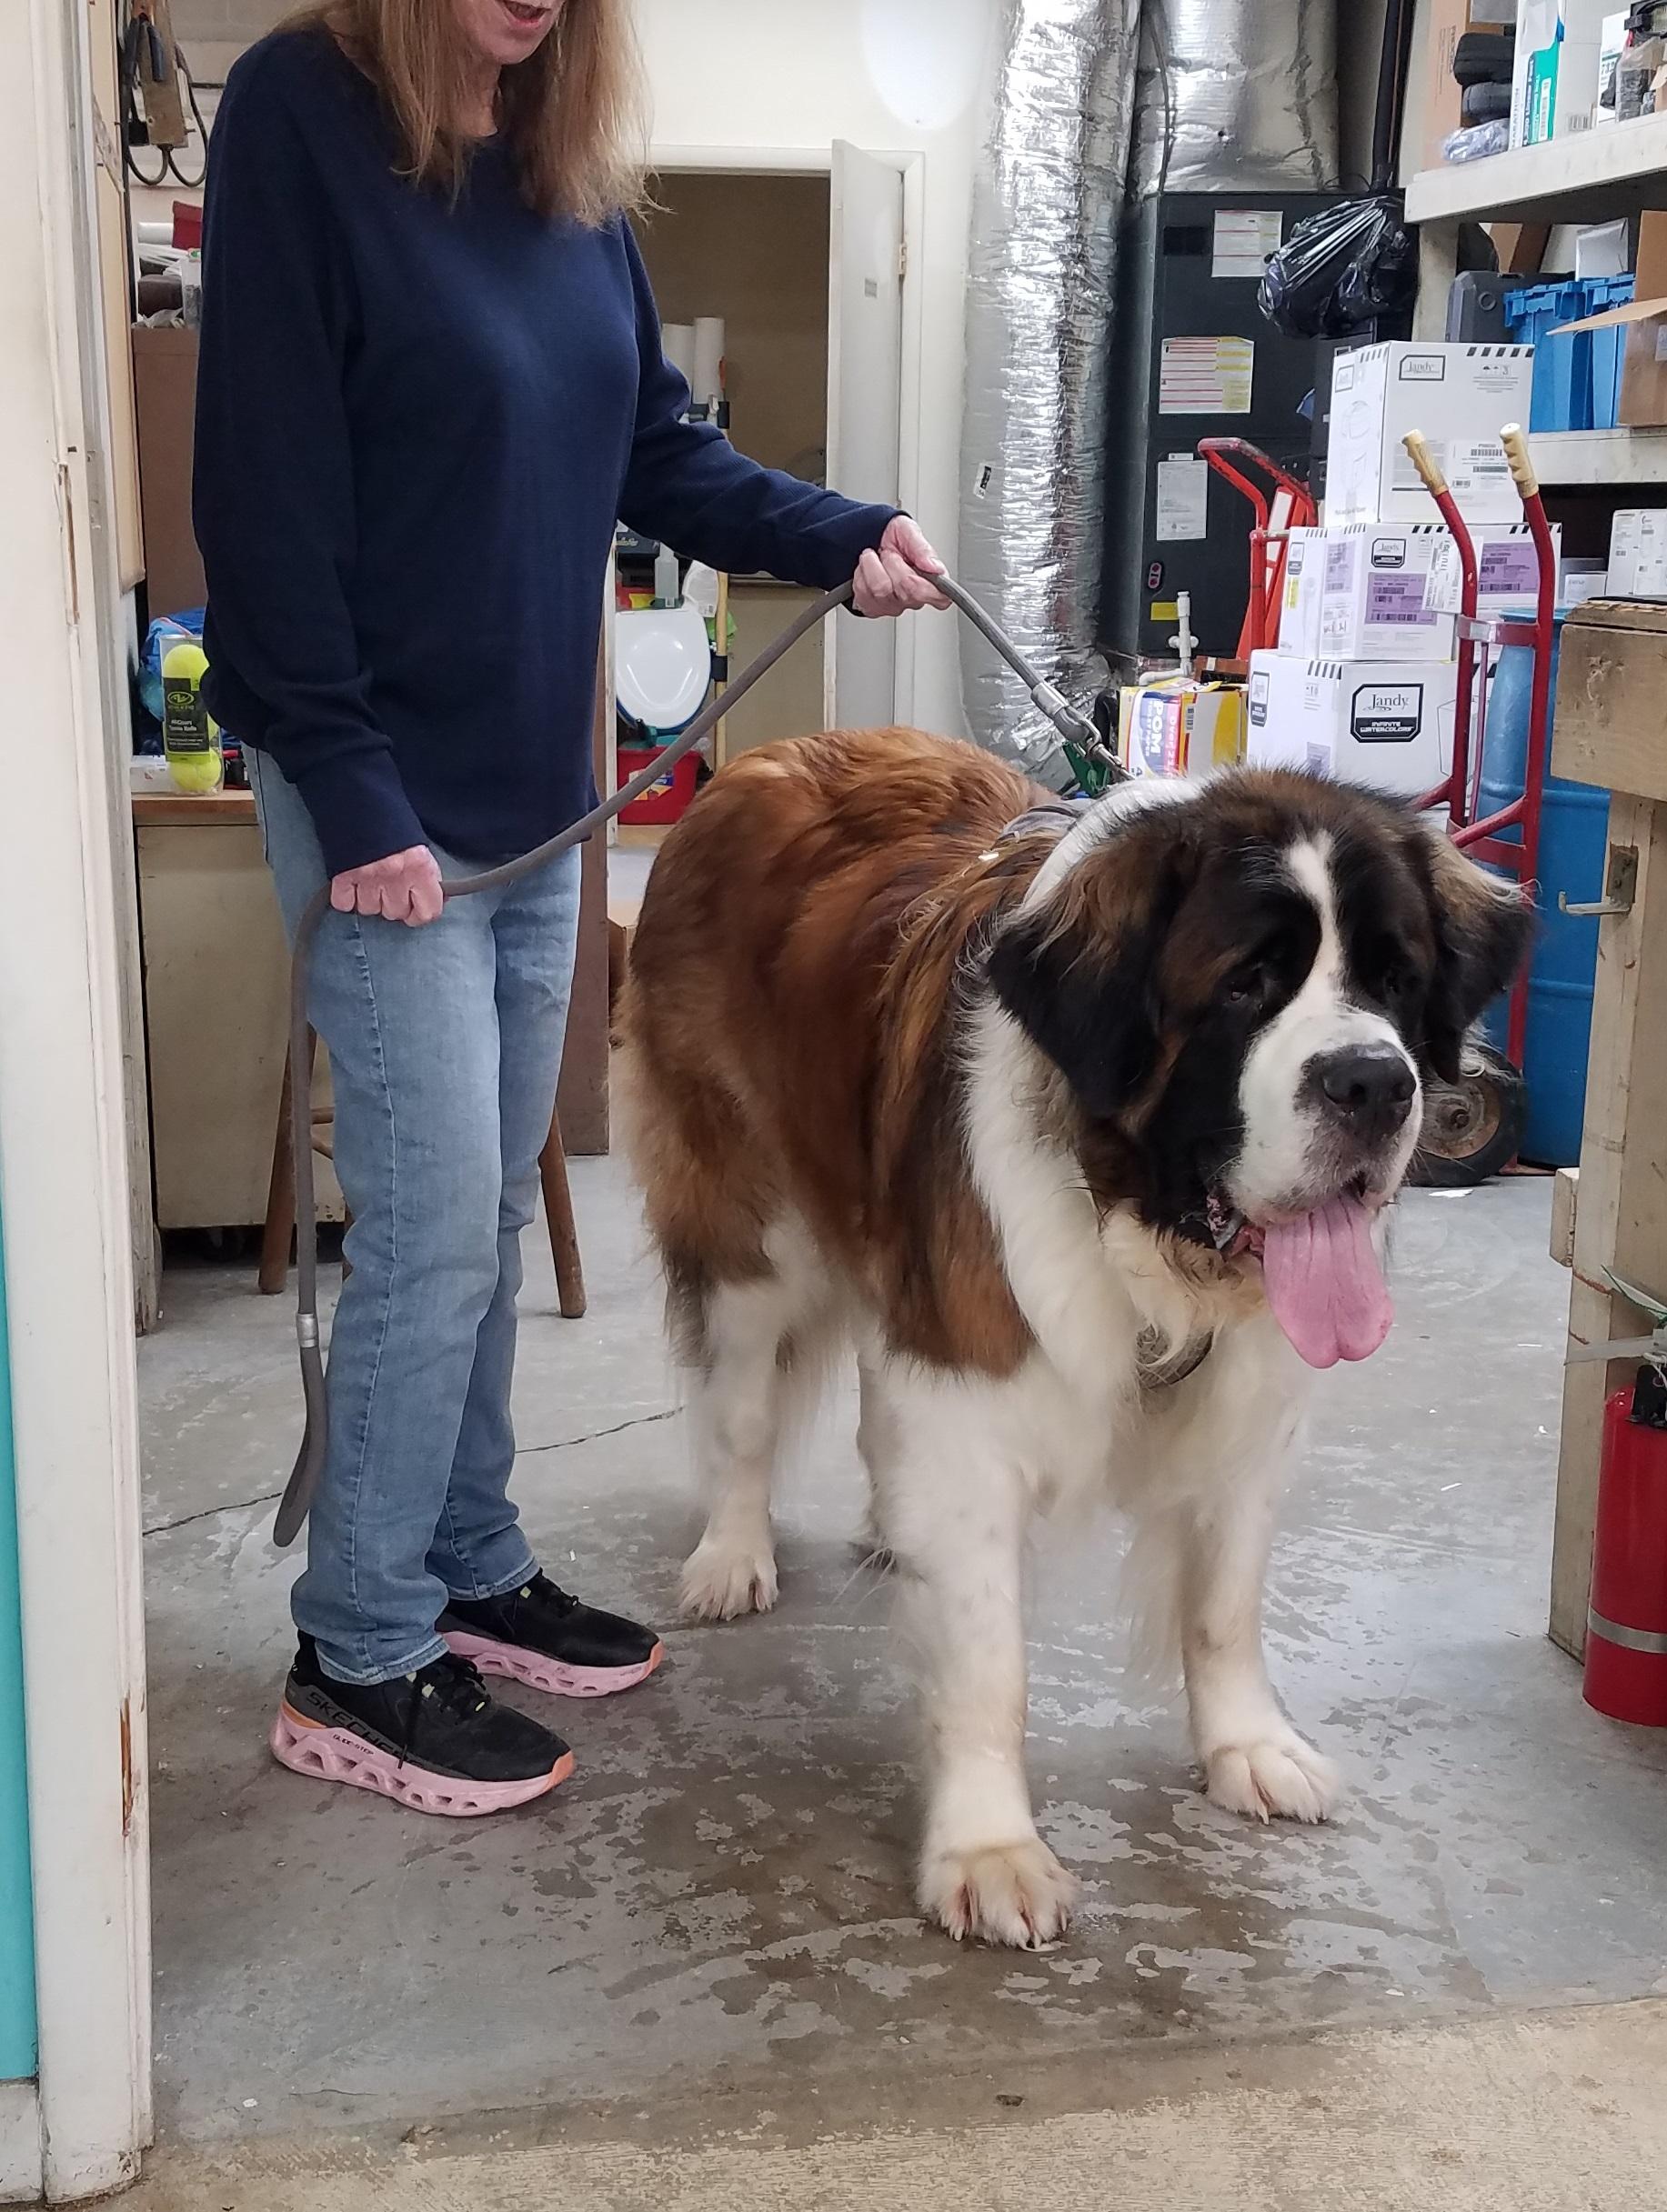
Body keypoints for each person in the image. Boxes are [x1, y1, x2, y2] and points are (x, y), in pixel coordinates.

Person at [194, 0, 948, 1819]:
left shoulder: (563, 168)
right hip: (380, 803)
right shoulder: (304, 116)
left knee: (497, 1225)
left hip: (544, 806)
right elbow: (263, 488)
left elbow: (653, 453)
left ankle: (465, 1552)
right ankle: (357, 1651)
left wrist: (839, 532)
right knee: (441, 1228)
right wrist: (351, 785)